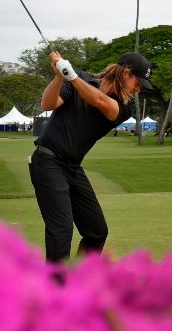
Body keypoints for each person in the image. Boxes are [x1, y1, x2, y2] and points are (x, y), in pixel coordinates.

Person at [29, 50, 153, 263]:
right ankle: (55, 292)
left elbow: (99, 101)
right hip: (47, 161)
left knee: (96, 231)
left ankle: (81, 280)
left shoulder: (123, 108)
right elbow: (47, 104)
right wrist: (60, 77)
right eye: (138, 82)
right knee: (61, 230)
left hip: (72, 167)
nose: (139, 89)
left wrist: (71, 75)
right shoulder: (80, 78)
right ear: (126, 73)